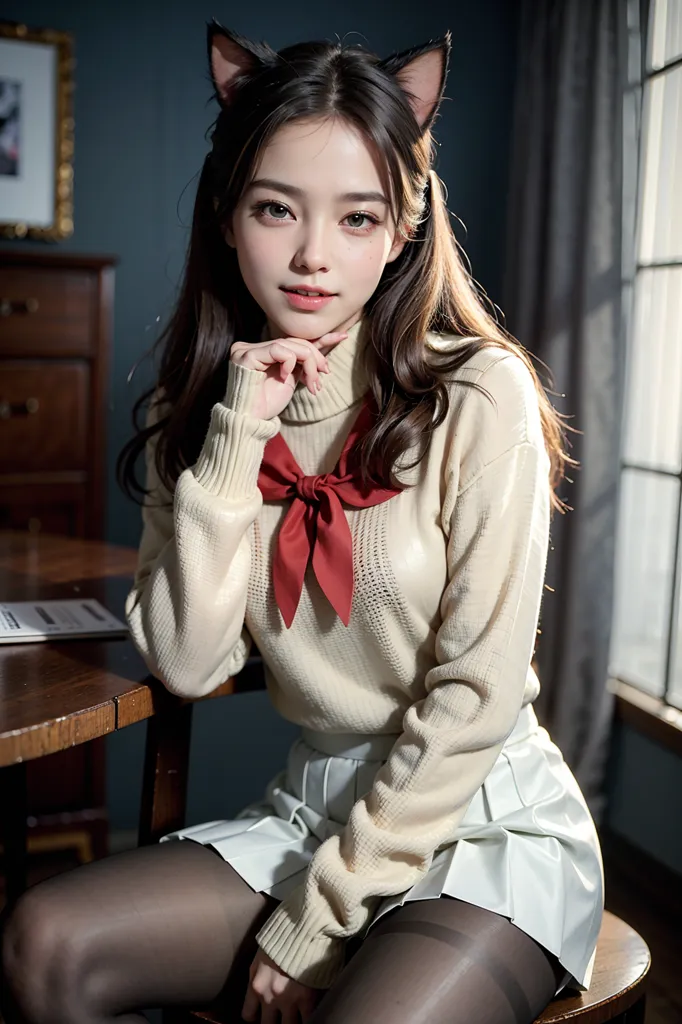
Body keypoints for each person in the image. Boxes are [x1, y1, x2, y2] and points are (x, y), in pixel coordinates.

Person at [0, 21, 605, 1024]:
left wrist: (313, 917)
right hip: (309, 810)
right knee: (43, 943)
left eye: (357, 219)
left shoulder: (478, 396)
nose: (314, 256)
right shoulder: (198, 419)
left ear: (402, 227)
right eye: (278, 209)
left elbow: (472, 698)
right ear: (230, 215)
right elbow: (188, 662)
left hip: (477, 819)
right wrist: (237, 433)